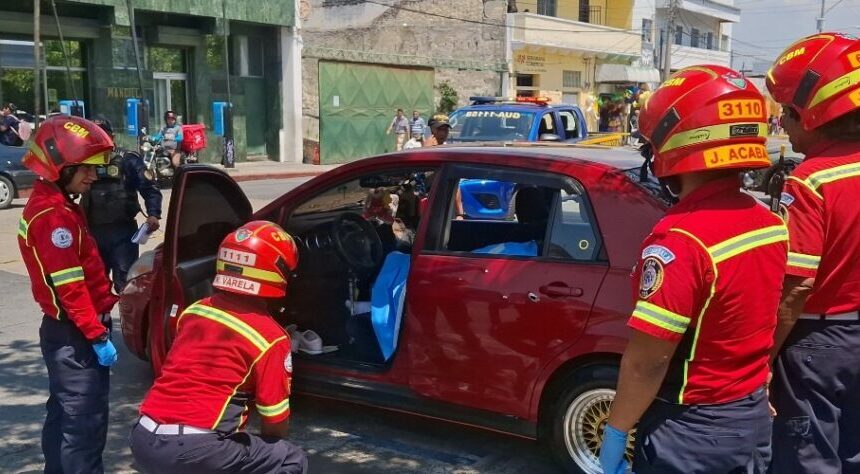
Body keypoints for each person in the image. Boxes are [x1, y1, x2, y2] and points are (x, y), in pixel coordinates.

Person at [599, 65, 788, 474]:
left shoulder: (680, 242)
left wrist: (615, 432)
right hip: (751, 417)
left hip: (691, 432)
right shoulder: (769, 223)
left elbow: (647, 362)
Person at [130, 220, 307, 473]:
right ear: (277, 272)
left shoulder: (194, 311)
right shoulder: (271, 338)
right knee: (289, 458)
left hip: (143, 437)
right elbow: (275, 421)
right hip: (193, 449)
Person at [765, 32, 860, 474]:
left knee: (809, 458)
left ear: (814, 112)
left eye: (787, 113)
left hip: (819, 345)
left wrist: (764, 358)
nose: (782, 124)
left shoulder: (811, 181)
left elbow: (796, 286)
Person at [17, 116, 118, 473]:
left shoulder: (59, 205)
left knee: (63, 418)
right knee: (83, 427)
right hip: (75, 335)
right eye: (86, 169)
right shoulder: (53, 217)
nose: (93, 176)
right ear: (61, 167)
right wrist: (96, 334)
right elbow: (70, 289)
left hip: (71, 331)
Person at [81, 115, 163, 293]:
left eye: (102, 134)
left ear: (112, 137)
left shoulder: (128, 159)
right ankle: (100, 320)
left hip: (122, 233)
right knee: (94, 285)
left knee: (124, 284)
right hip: (92, 232)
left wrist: (153, 214)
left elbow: (149, 188)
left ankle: (127, 320)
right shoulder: (82, 161)